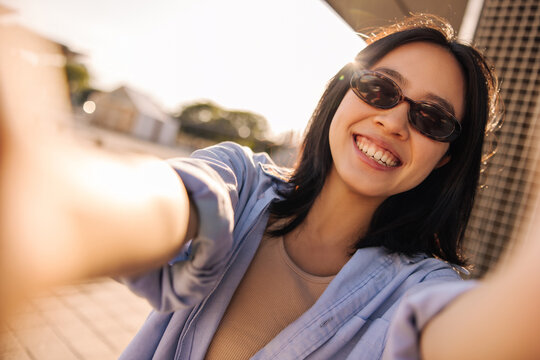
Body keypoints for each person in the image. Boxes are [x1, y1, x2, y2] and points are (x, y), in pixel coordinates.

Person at [2, 13, 540, 360]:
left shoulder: (420, 290)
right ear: (343, 92)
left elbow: (481, 334)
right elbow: (165, 203)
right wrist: (57, 219)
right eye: (379, 89)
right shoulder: (240, 182)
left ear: (449, 159)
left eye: (432, 119)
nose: (394, 122)